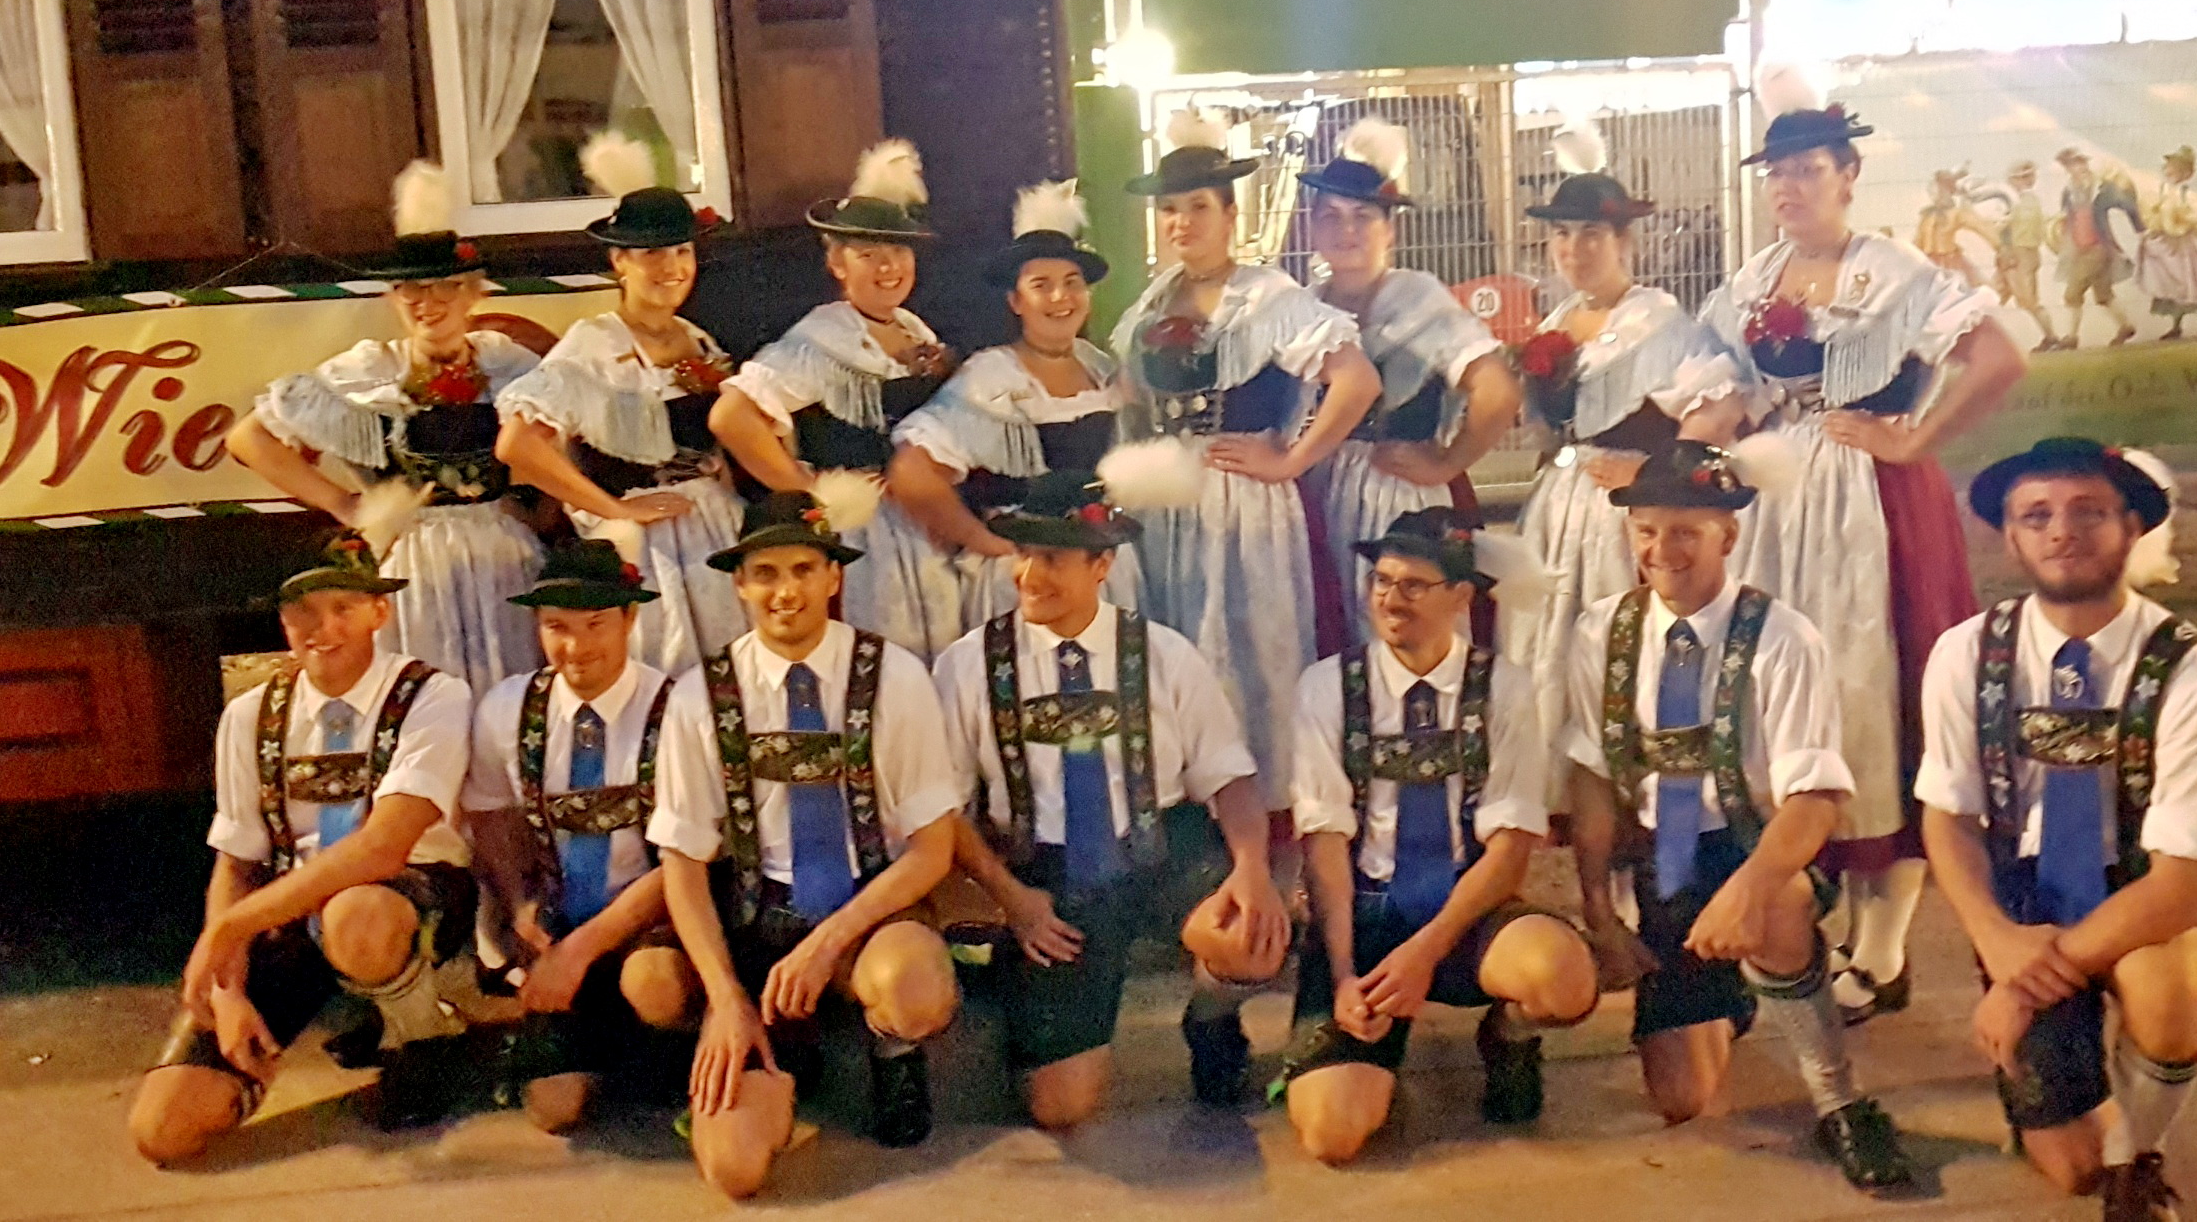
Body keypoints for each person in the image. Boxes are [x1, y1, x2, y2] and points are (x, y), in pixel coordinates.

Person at [1667, 103, 2025, 1025]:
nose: (1788, 187)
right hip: (1775, 502)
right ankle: (1796, 911)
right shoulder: (1750, 282)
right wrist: (1682, 466)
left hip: (1874, 500)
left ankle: (1883, 945)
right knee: (1784, 697)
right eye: (1776, 173)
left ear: (1848, 175)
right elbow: (1721, 397)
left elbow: (1997, 357)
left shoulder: (1897, 272)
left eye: (1808, 169)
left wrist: (1913, 439)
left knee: (1879, 695)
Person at [1560, 442, 1915, 1193]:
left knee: (1778, 911)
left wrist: (1747, 890)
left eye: (1686, 532)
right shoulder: (1601, 631)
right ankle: (1735, 993)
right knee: (1682, 1097)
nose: (1663, 550)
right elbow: (1590, 776)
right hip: (1664, 867)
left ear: (1729, 534)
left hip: (1755, 848)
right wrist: (1598, 909)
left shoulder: (1784, 636)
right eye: (1647, 530)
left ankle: (1840, 1099)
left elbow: (1814, 801)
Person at [1919, 439, 2197, 1222]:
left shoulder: (2190, 670)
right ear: (2010, 536)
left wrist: (2022, 985)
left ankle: (2139, 1154)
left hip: (2136, 891)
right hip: (2023, 902)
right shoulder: (1967, 652)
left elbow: (2183, 885)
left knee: (2172, 991)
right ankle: (2063, 1112)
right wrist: (1997, 940)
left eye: (2088, 511)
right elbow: (1948, 816)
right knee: (2071, 1169)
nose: (2062, 530)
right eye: (2037, 515)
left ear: (2132, 526)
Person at [932, 469, 1293, 1125]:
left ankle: (1211, 1017)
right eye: (1023, 554)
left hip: (1159, 847)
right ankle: (1016, 1003)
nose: (1029, 575)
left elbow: (1229, 775)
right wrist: (1012, 899)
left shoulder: (1163, 652)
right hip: (1046, 876)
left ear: (1102, 564)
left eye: (1052, 558)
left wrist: (1251, 868)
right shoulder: (967, 664)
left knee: (1251, 938)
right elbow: (944, 809)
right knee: (1061, 1107)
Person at [648, 485, 965, 1197]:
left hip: (865, 915)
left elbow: (932, 849)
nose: (784, 591)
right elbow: (683, 862)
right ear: (739, 584)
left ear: (832, 577)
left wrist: (826, 944)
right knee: (734, 1170)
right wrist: (726, 994)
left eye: (801, 569)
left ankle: (892, 1048)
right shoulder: (701, 695)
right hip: (756, 928)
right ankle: (771, 1055)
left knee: (914, 988)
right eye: (765, 573)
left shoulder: (894, 676)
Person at [129, 537, 478, 1163]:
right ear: (283, 621)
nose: (324, 628)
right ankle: (315, 1031)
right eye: (304, 612)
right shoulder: (250, 714)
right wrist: (229, 990)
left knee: (355, 915)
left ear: (379, 611)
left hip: (409, 896)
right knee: (165, 1131)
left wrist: (231, 928)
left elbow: (383, 849)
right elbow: (237, 860)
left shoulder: (432, 695)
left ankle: (425, 1038)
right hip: (285, 913)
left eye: (344, 607)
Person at [1280, 509, 1598, 1161]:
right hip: (1365, 917)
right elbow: (1325, 841)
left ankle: (1509, 1035)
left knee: (1563, 979)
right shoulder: (1327, 687)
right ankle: (1364, 1056)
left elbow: (1510, 846)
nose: (1391, 599)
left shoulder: (1503, 686)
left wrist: (1426, 951)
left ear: (1460, 597)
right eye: (1382, 580)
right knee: (1331, 1134)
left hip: (1463, 913)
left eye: (1414, 585)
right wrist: (1343, 974)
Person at [1112, 109, 1379, 790]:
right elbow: (1130, 399)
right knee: (1178, 654)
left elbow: (1356, 381)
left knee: (1249, 655)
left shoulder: (1266, 297)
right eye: (1170, 210)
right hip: (1166, 511)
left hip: (1241, 506)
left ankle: (1269, 811)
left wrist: (1290, 460)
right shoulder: (1152, 304)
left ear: (1230, 214)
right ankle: (1197, 811)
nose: (1182, 223)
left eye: (1199, 207)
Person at [228, 162, 546, 695]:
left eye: (446, 287)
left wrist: (539, 510)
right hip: (411, 556)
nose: (429, 304)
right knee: (424, 691)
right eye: (410, 290)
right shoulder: (370, 370)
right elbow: (248, 439)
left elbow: (558, 438)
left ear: (474, 293)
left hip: (503, 551)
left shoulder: (507, 364)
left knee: (513, 690)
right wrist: (345, 504)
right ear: (393, 297)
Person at [463, 537, 697, 1133]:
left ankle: (661, 1043)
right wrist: (520, 904)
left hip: (651, 924)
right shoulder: (507, 708)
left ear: (630, 618)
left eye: (596, 625)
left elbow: (689, 857)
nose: (577, 647)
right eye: (557, 627)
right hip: (557, 925)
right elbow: (490, 814)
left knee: (656, 987)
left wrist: (582, 951)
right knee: (553, 1111)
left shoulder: (678, 709)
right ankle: (593, 1042)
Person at [496, 134, 744, 680]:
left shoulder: (698, 340)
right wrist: (616, 510)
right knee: (661, 671)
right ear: (619, 261)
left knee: (727, 675)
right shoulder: (594, 344)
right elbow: (518, 446)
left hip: (713, 531)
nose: (671, 267)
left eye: (681, 251)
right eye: (652, 253)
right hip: (648, 548)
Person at [710, 140, 969, 655]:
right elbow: (731, 417)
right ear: (837, 263)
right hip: (860, 534)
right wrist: (810, 493)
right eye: (868, 255)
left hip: (919, 523)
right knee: (872, 650)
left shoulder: (913, 328)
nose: (888, 267)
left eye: (898, 251)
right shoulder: (820, 339)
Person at [1511, 125, 1698, 797]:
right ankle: (1565, 806)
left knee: (1618, 659)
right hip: (1558, 511)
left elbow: (1706, 421)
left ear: (1624, 242)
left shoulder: (1660, 323)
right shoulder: (1556, 322)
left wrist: (1649, 477)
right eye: (1562, 234)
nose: (1574, 249)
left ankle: (1636, 812)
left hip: (1625, 521)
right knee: (1549, 656)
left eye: (1591, 234)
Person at [1297, 118, 1526, 608]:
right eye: (1331, 215)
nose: (1346, 229)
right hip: (1318, 494)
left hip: (1396, 496)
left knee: (1403, 618)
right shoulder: (1304, 306)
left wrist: (1447, 462)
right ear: (1312, 227)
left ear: (1390, 230)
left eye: (1362, 216)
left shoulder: (1418, 299)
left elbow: (1498, 391)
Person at [885, 181, 1138, 625]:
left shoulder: (1100, 367)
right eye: (1042, 285)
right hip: (1027, 573)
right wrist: (984, 540)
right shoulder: (992, 376)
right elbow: (911, 473)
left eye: (1072, 283)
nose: (1060, 298)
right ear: (1016, 300)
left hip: (1098, 566)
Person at [2054, 149, 2144, 350]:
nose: (2077, 168)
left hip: (2098, 247)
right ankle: (2126, 326)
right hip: (2080, 247)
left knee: (2072, 293)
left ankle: (2071, 337)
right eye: (2070, 165)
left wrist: (2139, 228)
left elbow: (2127, 204)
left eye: (2079, 163)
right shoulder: (2069, 191)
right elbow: (2066, 218)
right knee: (2104, 295)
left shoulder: (2101, 188)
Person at [2135, 148, 2197, 341]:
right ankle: (2176, 325)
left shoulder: (2187, 194)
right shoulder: (2160, 191)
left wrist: (2185, 217)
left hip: (2186, 241)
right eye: (2168, 167)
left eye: (2175, 168)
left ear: (2184, 173)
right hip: (2168, 240)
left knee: (2196, 280)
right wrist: (2156, 218)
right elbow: (2150, 212)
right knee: (2173, 283)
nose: (2170, 171)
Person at [1996, 160, 2069, 350]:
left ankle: (2052, 338)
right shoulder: (2025, 201)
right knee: (1997, 296)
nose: (2014, 182)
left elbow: (2008, 227)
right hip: (2017, 255)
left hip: (2021, 255)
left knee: (2028, 300)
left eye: (2018, 179)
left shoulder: (2021, 202)